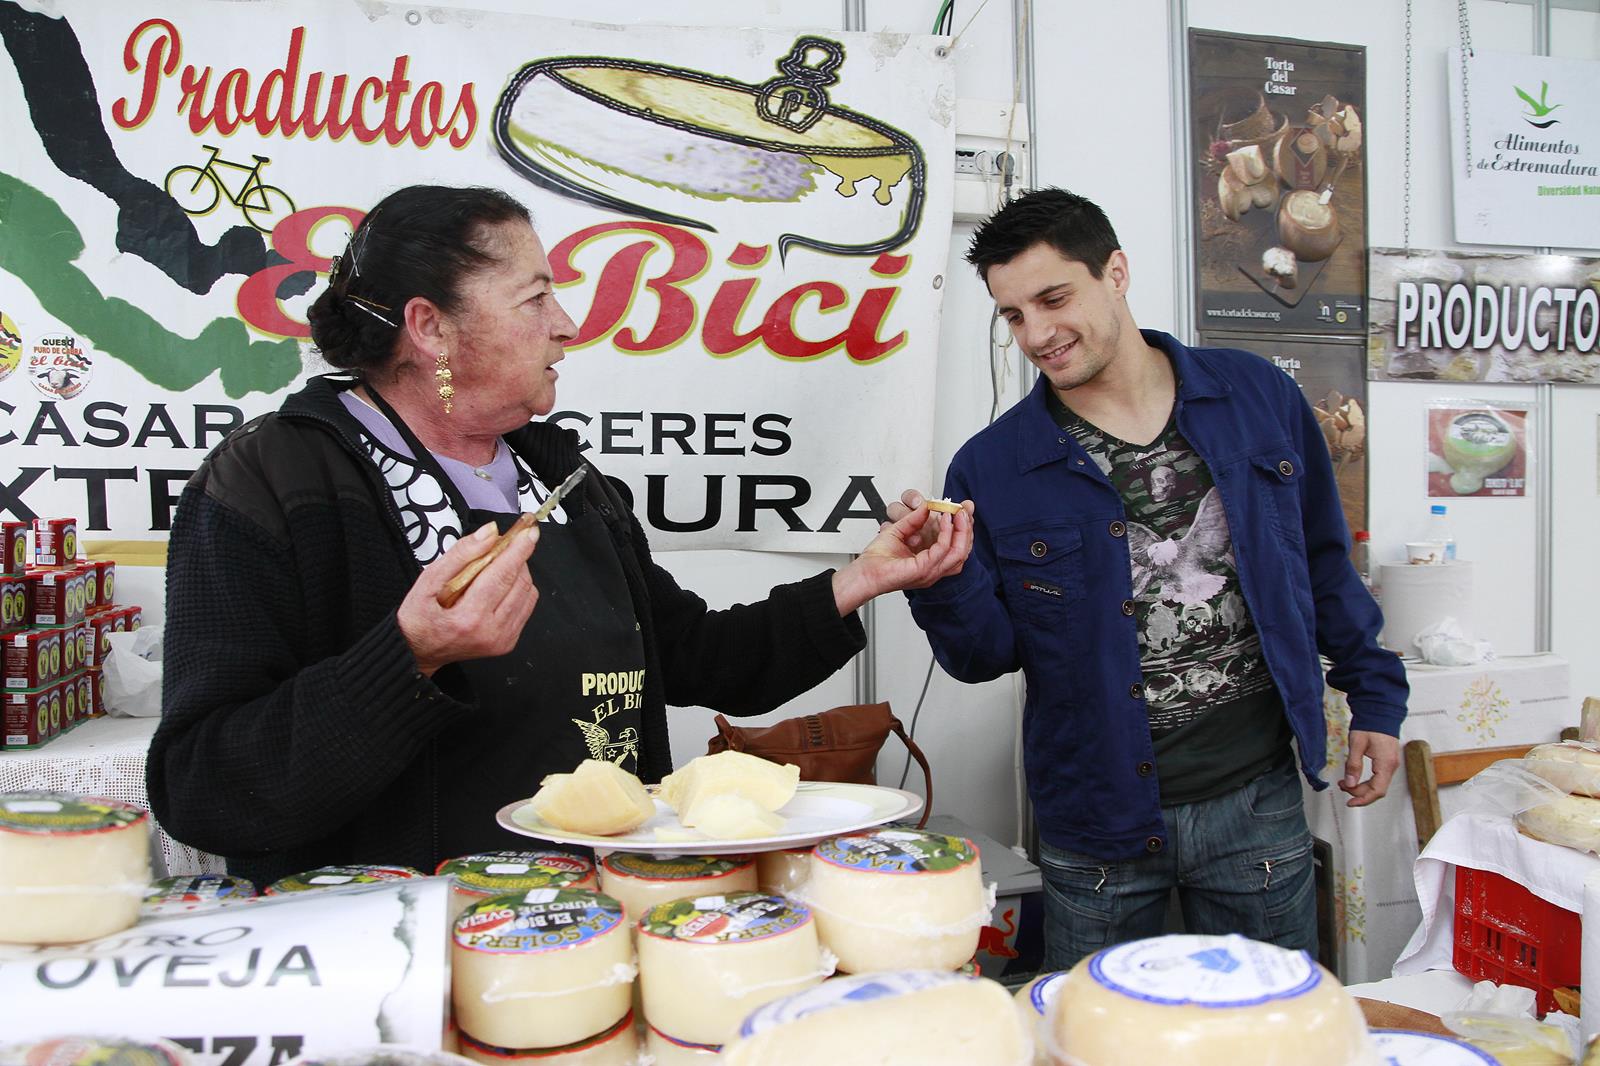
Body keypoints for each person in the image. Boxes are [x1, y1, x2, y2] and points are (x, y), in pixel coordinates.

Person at [147, 185, 971, 886]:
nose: (568, 323)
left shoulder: (563, 479)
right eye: (536, 297)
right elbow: (203, 785)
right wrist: (411, 657)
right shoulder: (277, 481)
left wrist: (859, 579)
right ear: (430, 328)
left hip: (592, 924)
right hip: (407, 950)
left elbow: (693, 653)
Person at [894, 188, 1406, 970]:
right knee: (1095, 1039)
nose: (1037, 333)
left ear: (1117, 272)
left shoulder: (1255, 395)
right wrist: (938, 577)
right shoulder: (993, 465)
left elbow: (1321, 559)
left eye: (1053, 298)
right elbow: (981, 656)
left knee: (1265, 1038)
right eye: (1012, 315)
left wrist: (1374, 693)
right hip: (1095, 821)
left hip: (1256, 802)